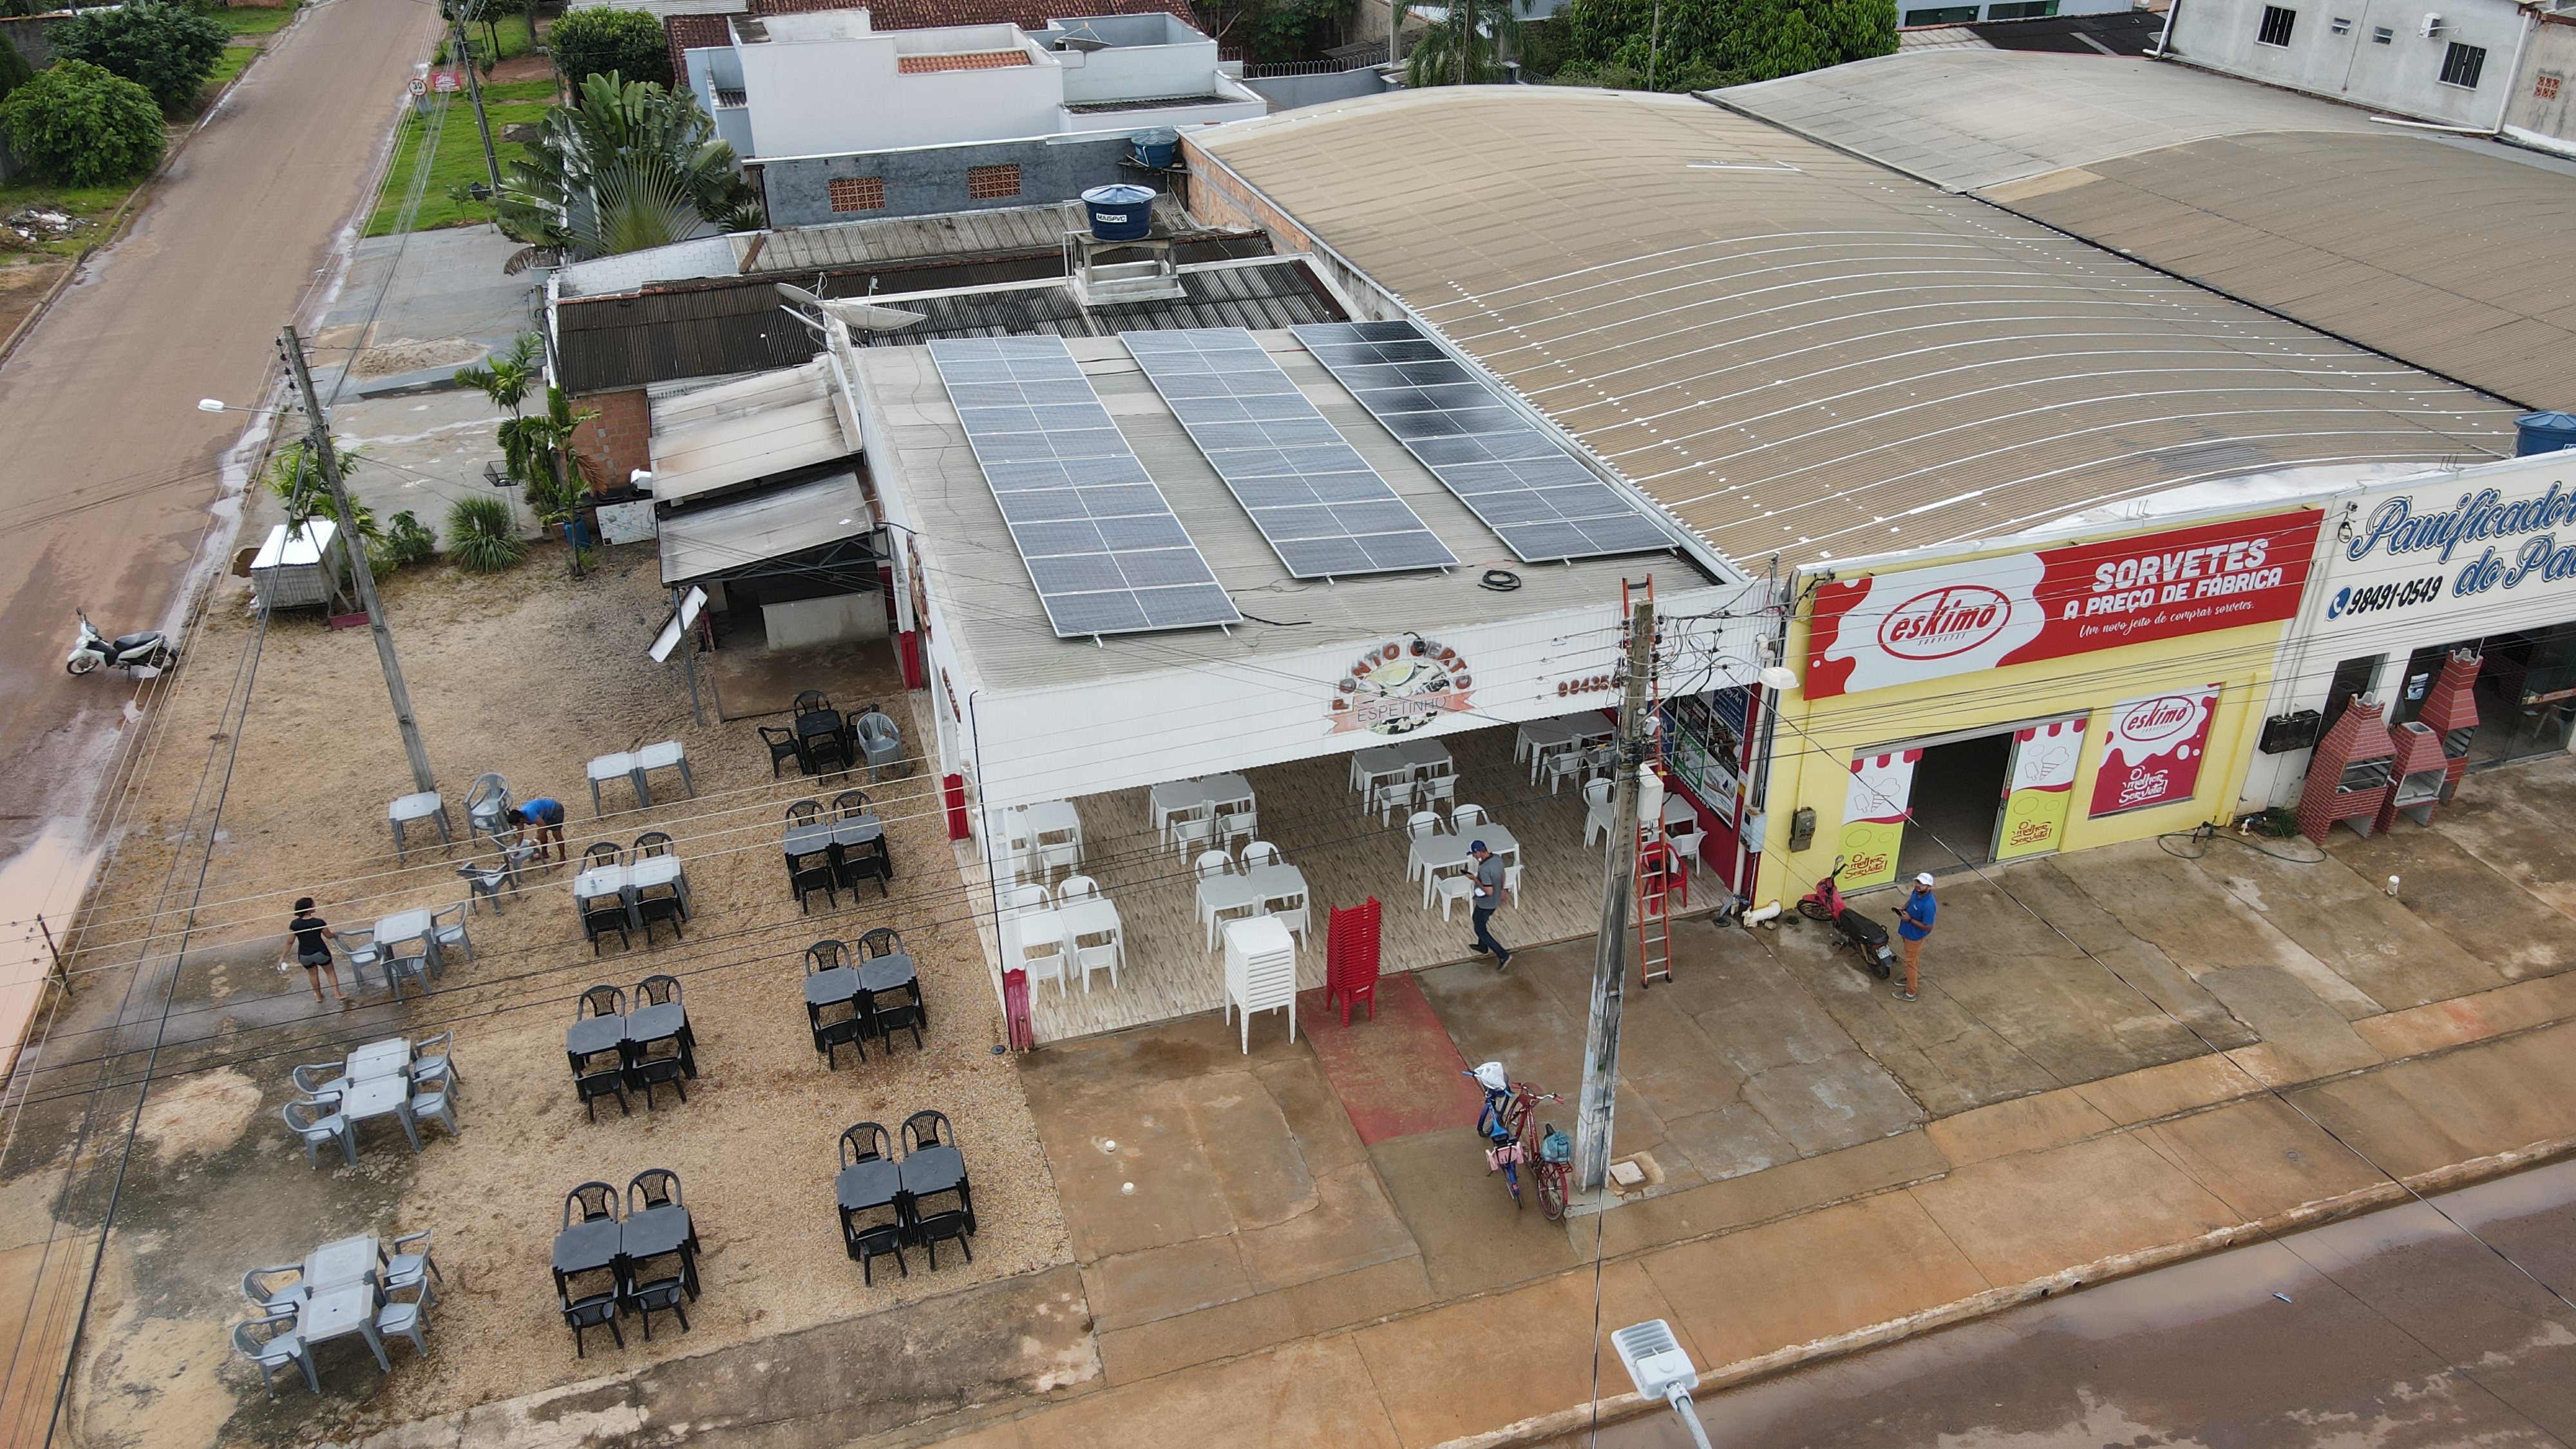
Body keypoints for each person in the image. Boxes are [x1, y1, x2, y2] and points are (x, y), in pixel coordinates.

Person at [287, 896, 350, 1006]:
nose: (314, 906)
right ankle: (337, 994)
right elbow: (328, 935)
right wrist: (334, 935)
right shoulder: (319, 922)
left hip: (304, 955)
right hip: (321, 952)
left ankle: (319, 996)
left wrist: (282, 957)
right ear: (308, 909)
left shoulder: (295, 924)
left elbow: (290, 941)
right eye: (313, 905)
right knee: (330, 972)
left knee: (313, 974)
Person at [1466, 840, 1512, 972]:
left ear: (1478, 852)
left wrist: (1475, 879)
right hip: (1495, 900)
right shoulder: (1497, 859)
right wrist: (1502, 889)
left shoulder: (1485, 868)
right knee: (1477, 919)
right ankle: (1483, 946)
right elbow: (1503, 875)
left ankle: (1503, 955)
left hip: (1486, 903)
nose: (1474, 856)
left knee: (1480, 929)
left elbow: (1489, 891)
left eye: (1474, 854)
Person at [1894, 872, 1937, 1002]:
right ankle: (1910, 979)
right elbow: (1911, 900)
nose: (1918, 885)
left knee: (1910, 963)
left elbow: (1929, 927)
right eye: (1917, 882)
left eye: (1922, 884)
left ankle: (1910, 992)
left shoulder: (1929, 905)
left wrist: (1910, 919)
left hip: (1915, 937)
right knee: (1912, 960)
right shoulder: (1917, 892)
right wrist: (1903, 908)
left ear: (1929, 887)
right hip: (1907, 931)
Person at [507, 796, 567, 864]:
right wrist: (517, 849)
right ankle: (544, 854)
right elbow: (520, 834)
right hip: (545, 814)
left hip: (554, 809)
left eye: (516, 824)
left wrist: (535, 840)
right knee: (541, 834)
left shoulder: (530, 813)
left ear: (521, 820)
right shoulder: (519, 819)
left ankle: (563, 858)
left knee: (556, 834)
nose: (517, 826)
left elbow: (543, 826)